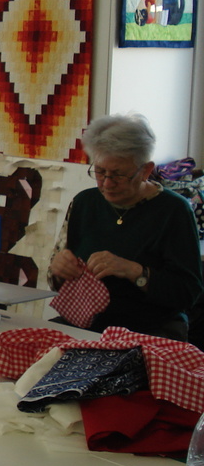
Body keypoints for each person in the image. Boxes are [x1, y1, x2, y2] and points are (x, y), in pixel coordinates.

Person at [48, 113, 203, 341]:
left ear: (145, 170)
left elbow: (188, 293)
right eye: (100, 171)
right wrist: (59, 269)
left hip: (149, 330)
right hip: (87, 324)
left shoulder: (174, 211)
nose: (107, 183)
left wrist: (135, 272)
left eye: (119, 175)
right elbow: (54, 280)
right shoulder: (84, 202)